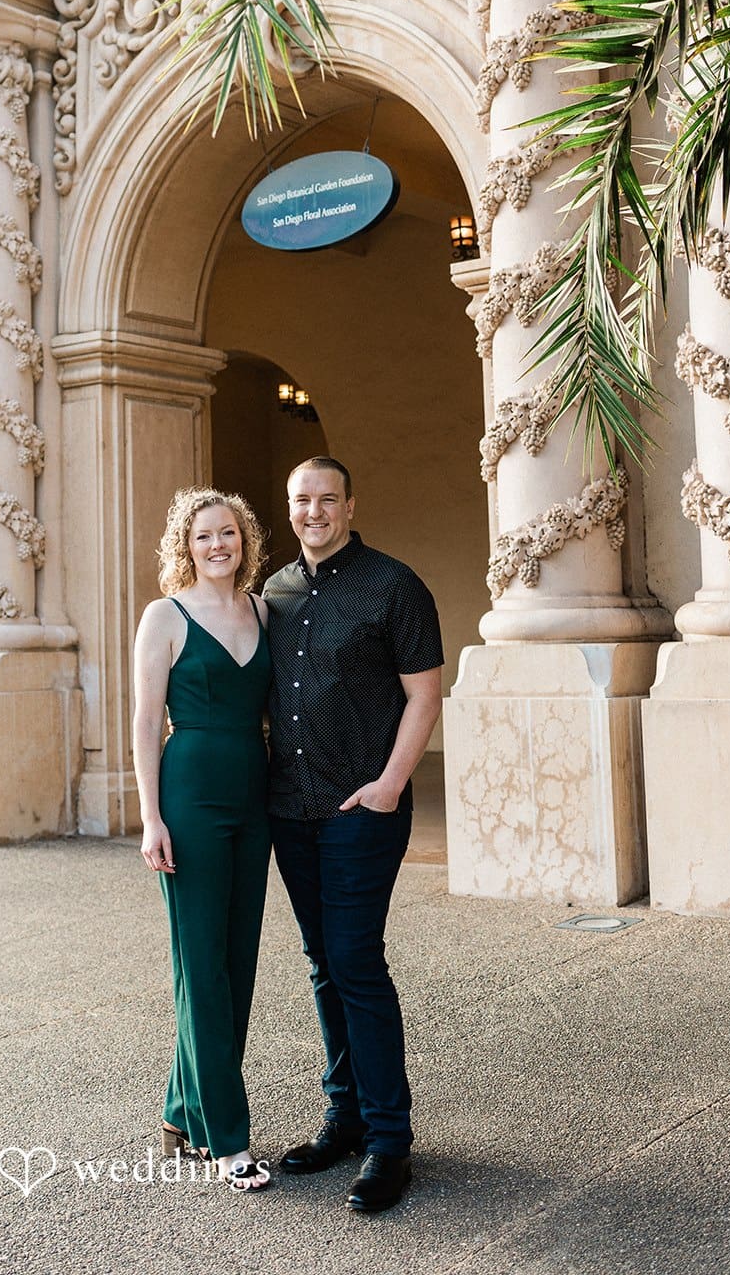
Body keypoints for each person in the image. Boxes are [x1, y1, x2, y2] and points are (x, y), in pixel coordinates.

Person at [263, 455, 444, 1214]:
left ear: (349, 505)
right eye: (301, 499)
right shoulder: (273, 592)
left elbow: (424, 695)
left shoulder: (394, 586)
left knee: (355, 961)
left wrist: (391, 785)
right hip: (290, 808)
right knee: (321, 962)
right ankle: (344, 1119)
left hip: (363, 807)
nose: (313, 511)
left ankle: (389, 1142)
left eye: (327, 499)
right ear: (290, 506)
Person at [133, 486, 273, 1191]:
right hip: (189, 795)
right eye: (203, 536)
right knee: (200, 963)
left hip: (255, 794)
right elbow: (143, 720)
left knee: (236, 960)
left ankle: (181, 1113)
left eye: (228, 533)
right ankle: (226, 1137)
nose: (218, 546)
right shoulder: (165, 615)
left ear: (244, 540)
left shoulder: (263, 610)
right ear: (185, 548)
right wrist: (150, 817)